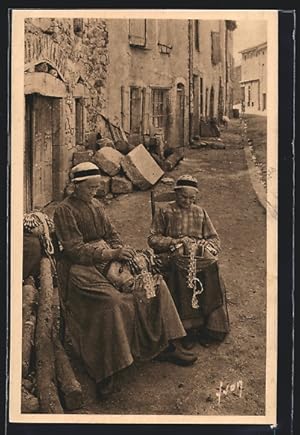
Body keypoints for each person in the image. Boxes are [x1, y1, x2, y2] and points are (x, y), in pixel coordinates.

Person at [53, 163, 197, 398]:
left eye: (97, 187)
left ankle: (166, 344)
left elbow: (112, 235)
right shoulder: (64, 210)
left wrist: (124, 254)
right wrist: (111, 254)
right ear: (75, 187)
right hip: (81, 272)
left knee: (153, 285)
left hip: (108, 263)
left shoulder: (97, 205)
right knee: (114, 304)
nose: (95, 191)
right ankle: (107, 369)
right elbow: (75, 250)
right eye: (90, 187)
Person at [148, 175, 229, 349]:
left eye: (192, 198)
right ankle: (188, 328)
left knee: (211, 268)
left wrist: (204, 245)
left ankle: (210, 326)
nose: (188, 201)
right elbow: (153, 239)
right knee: (183, 271)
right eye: (184, 197)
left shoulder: (200, 212)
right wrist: (174, 242)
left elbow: (214, 239)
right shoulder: (165, 211)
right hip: (172, 255)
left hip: (196, 256)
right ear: (176, 194)